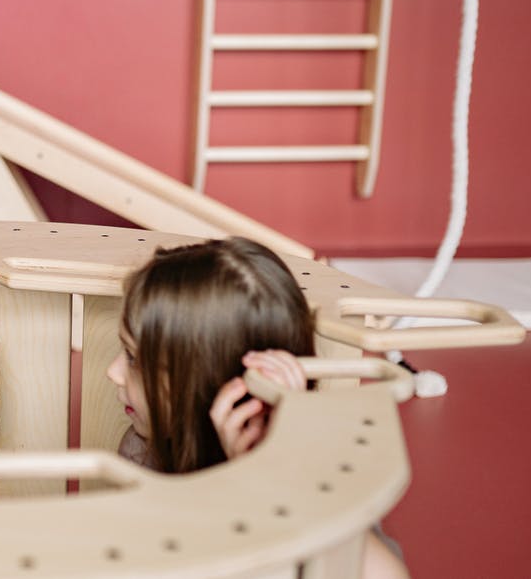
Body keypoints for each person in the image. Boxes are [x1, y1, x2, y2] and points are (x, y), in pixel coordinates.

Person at [106, 237, 408, 578]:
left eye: (133, 358)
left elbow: (385, 573)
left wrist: (279, 471)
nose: (112, 371)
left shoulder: (318, 468)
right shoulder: (144, 452)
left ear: (209, 385)